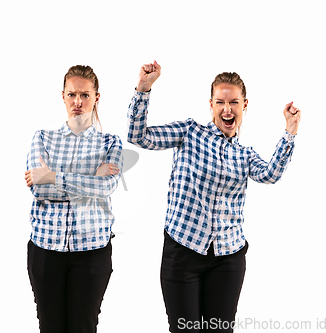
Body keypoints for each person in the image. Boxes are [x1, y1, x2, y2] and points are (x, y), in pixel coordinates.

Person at [127, 61, 301, 332]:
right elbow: (138, 136)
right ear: (211, 105)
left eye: (234, 102)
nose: (227, 109)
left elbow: (270, 174)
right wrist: (143, 89)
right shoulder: (189, 132)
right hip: (183, 252)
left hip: (228, 258)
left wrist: (290, 131)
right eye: (220, 102)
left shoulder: (245, 155)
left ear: (245, 106)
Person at [24, 65, 123, 333]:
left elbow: (106, 187)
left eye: (85, 95)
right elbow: (38, 190)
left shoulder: (110, 143)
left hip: (92, 252)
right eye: (71, 95)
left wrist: (53, 176)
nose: (77, 102)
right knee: (50, 327)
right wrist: (90, 178)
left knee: (84, 326)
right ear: (63, 96)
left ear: (96, 97)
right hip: (46, 249)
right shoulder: (43, 138)